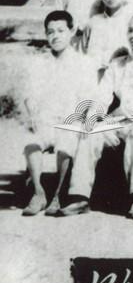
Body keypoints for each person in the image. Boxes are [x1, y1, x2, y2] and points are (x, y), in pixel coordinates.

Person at [59, 14, 133, 217]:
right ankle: (79, 197)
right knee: (89, 131)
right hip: (117, 121)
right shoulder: (118, 64)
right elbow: (101, 97)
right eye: (130, 30)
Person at [21, 11, 98, 216]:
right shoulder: (39, 63)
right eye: (50, 32)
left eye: (61, 31)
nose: (55, 36)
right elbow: (30, 95)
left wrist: (75, 118)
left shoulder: (84, 63)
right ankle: (38, 193)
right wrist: (33, 115)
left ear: (71, 32)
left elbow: (87, 98)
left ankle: (58, 195)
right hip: (45, 120)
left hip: (70, 120)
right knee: (31, 141)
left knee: (66, 141)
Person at [83, 0, 132, 75]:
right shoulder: (93, 22)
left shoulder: (131, 21)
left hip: (121, 76)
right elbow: (83, 52)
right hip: (93, 76)